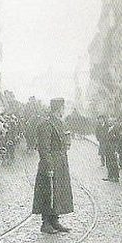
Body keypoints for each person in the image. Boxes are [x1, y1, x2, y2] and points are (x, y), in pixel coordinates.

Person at [32, 97, 74, 234]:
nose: (63, 110)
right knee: (48, 192)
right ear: (58, 108)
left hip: (60, 162)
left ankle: (55, 220)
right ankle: (46, 223)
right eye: (62, 107)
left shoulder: (60, 123)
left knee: (59, 192)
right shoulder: (46, 124)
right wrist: (49, 166)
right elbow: (44, 148)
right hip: (50, 163)